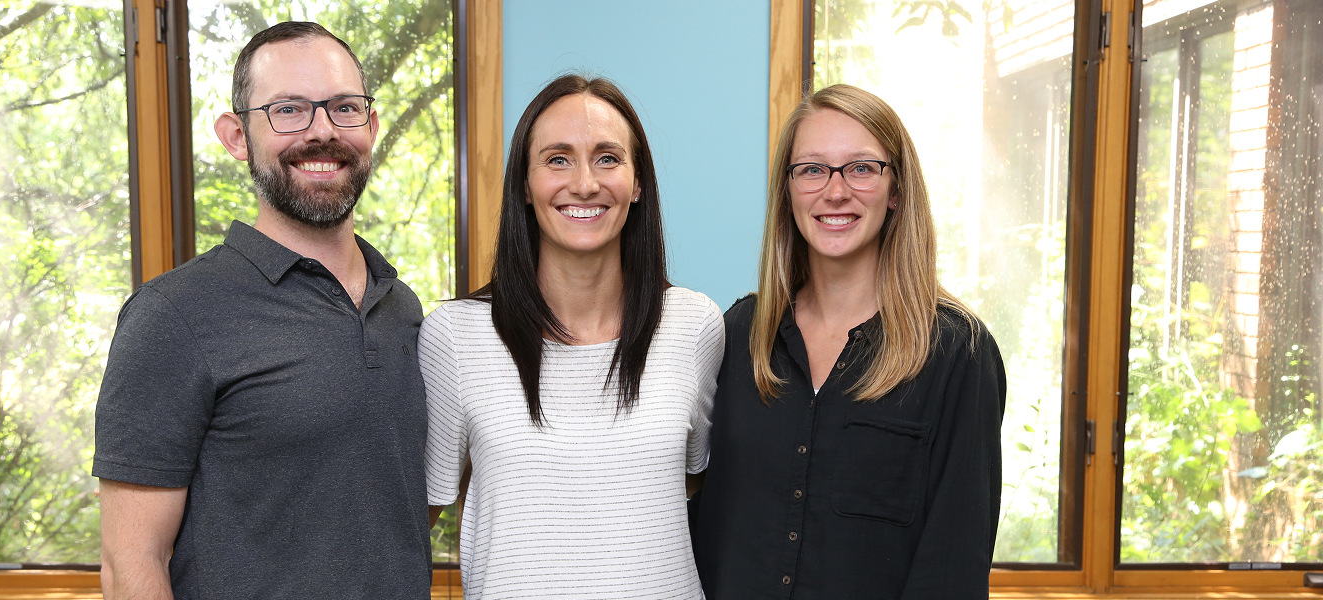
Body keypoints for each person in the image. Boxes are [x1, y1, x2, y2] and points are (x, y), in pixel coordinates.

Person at [91, 22, 430, 600]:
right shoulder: (172, 316)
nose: (322, 131)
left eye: (344, 108)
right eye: (289, 110)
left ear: (370, 128)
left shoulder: (401, 308)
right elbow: (130, 565)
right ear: (236, 136)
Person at [691, 83, 1006, 599]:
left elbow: (953, 566)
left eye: (861, 168)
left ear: (897, 189)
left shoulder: (958, 354)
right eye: (812, 169)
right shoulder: (741, 334)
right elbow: (701, 519)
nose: (835, 192)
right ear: (788, 191)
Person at [421, 74, 724, 599]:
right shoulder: (454, 335)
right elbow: (416, 517)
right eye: (557, 159)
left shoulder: (695, 326)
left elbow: (694, 478)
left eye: (608, 158)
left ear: (637, 183)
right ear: (524, 182)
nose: (584, 183)